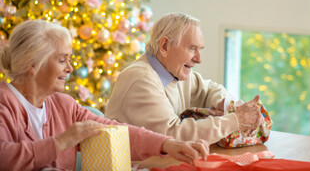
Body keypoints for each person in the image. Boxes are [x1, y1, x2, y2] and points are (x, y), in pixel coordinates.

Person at [0, 19, 209, 171]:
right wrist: (61, 142)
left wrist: (168, 144)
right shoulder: (4, 103)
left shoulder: (63, 105)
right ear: (32, 64)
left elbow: (115, 131)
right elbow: (4, 157)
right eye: (62, 60)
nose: (70, 68)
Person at [105, 13, 264, 144]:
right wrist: (234, 121)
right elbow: (173, 136)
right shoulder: (141, 79)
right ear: (165, 46)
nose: (199, 59)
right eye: (192, 48)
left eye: (200, 49)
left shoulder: (174, 71)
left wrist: (223, 103)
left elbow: (209, 89)